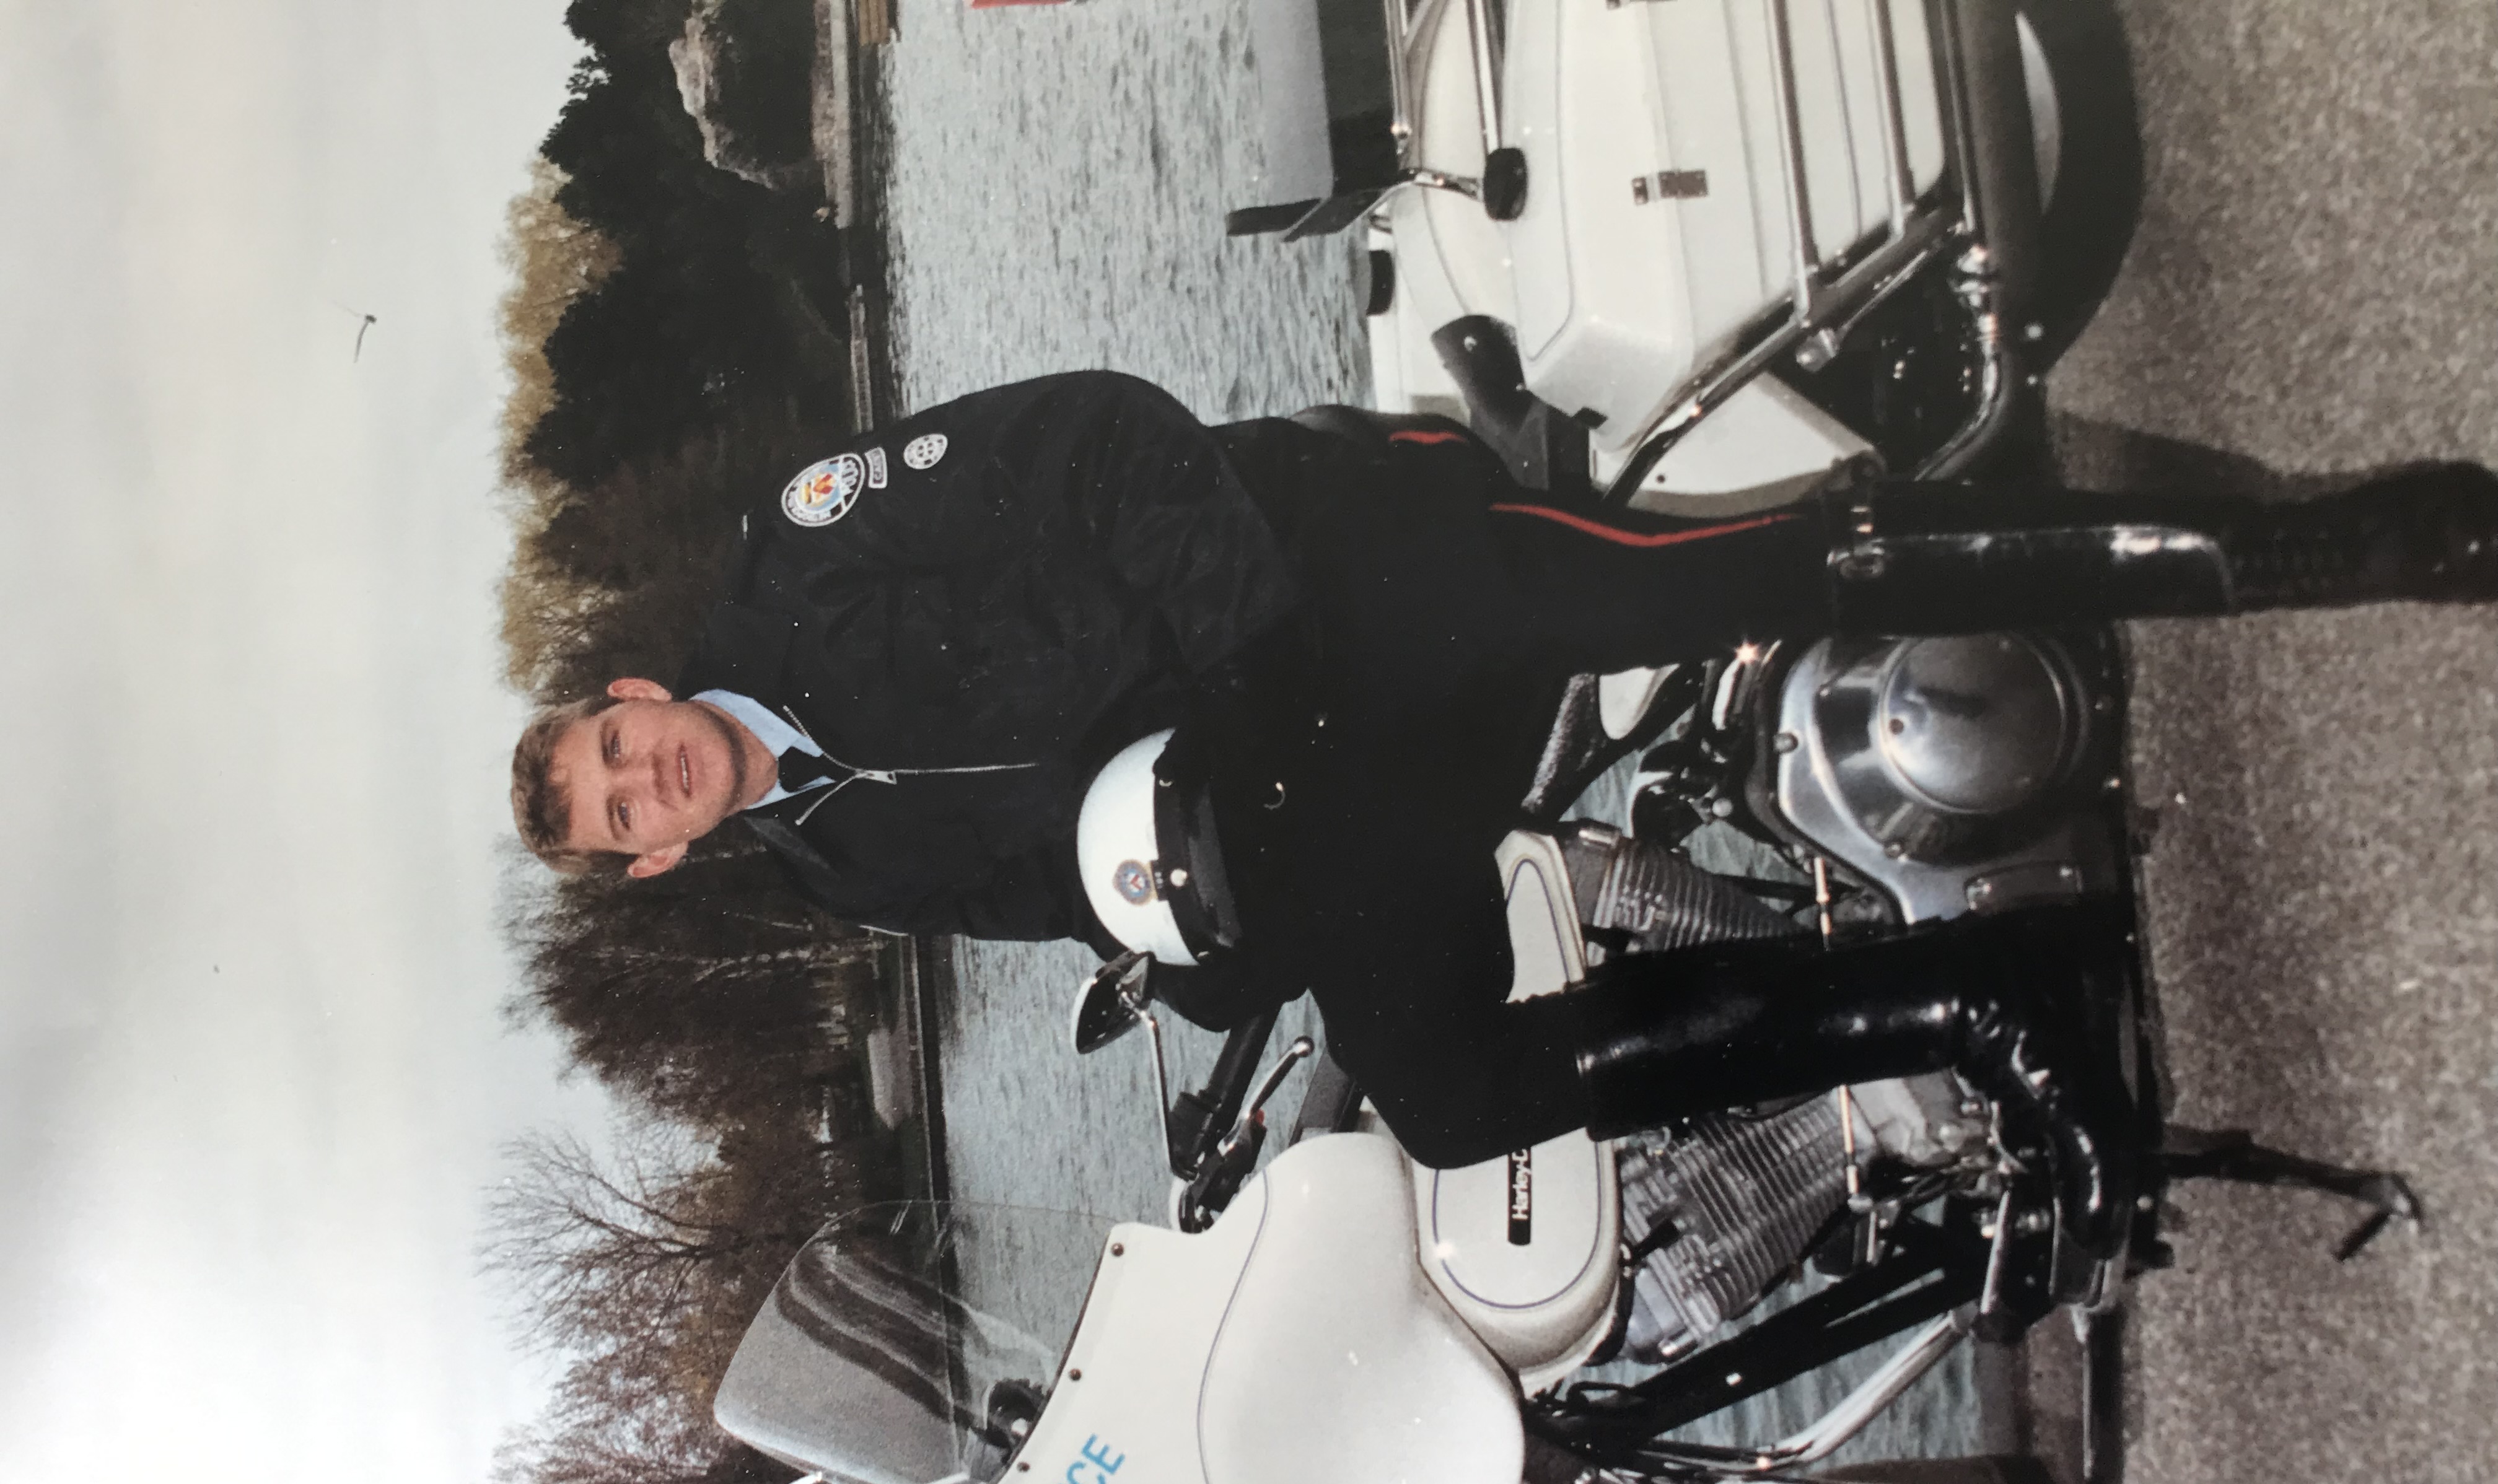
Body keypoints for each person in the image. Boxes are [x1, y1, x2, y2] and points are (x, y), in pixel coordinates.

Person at [511, 370, 2498, 1251]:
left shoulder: (808, 553)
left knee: (1711, 583)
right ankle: (2000, 994)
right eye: (624, 818)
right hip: (1293, 777)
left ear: (632, 697)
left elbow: (1104, 444)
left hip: (1334, 568)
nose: (644, 779)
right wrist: (1212, 953)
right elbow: (1073, 891)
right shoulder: (841, 864)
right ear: (661, 858)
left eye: (617, 749)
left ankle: (2303, 545)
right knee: (1448, 1096)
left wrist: (1253, 678)